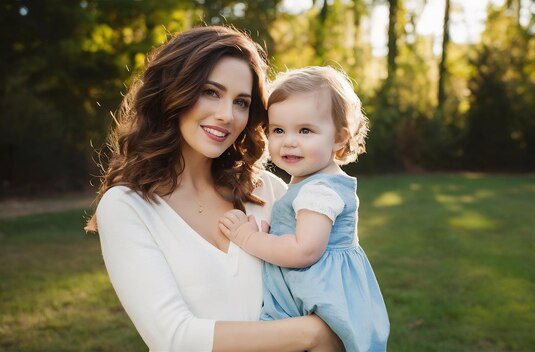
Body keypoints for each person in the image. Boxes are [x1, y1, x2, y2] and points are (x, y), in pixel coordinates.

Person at [85, 26, 342, 351]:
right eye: (211, 92)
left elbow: (326, 289)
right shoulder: (126, 206)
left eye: (241, 102)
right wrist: (312, 334)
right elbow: (174, 337)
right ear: (174, 92)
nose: (226, 115)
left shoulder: (269, 191)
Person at [219, 66, 390, 352]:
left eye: (305, 130)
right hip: (315, 292)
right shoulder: (312, 183)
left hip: (318, 297)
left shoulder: (319, 191)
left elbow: (304, 251)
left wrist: (250, 239)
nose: (289, 141)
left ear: (339, 137)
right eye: (278, 130)